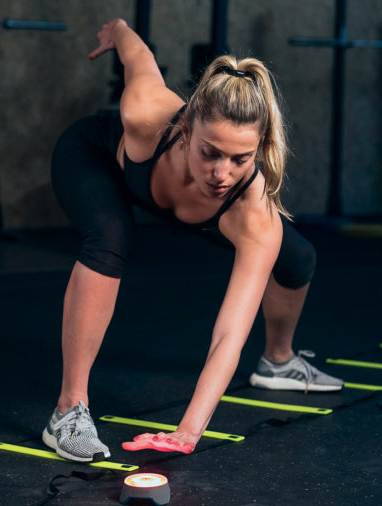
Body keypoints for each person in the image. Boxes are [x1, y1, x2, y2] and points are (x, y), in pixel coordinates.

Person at [42, 18, 343, 463]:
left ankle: (278, 361)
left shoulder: (252, 209)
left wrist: (189, 430)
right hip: (97, 158)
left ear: (259, 148)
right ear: (186, 128)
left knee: (297, 256)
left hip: (197, 208)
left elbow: (228, 334)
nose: (222, 173)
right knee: (110, 235)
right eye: (210, 152)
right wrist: (116, 31)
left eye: (240, 159)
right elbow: (137, 54)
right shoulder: (147, 111)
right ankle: (68, 410)